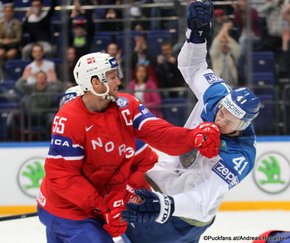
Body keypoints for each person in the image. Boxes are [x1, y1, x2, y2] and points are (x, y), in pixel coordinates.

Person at [36, 51, 221, 243]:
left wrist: (192, 138)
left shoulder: (126, 105)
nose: (119, 81)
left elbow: (158, 132)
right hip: (66, 210)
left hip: (97, 207)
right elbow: (64, 176)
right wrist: (105, 207)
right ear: (95, 83)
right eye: (112, 76)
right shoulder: (69, 118)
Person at [122, 1, 261, 243]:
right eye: (222, 111)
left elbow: (202, 199)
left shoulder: (240, 155)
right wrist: (196, 36)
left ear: (244, 125)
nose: (221, 118)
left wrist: (164, 206)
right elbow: (193, 66)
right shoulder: (218, 94)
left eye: (229, 119)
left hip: (186, 215)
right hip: (166, 177)